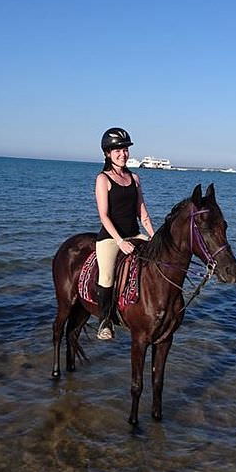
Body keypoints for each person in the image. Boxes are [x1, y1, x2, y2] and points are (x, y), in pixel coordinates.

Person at [94, 127, 155, 340]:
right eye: (117, 149)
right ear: (107, 153)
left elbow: (142, 212)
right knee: (107, 275)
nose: (122, 153)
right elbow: (104, 216)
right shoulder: (103, 179)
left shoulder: (134, 178)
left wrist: (154, 237)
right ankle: (105, 321)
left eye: (125, 149)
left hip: (134, 235)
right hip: (111, 238)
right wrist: (120, 241)